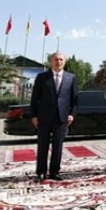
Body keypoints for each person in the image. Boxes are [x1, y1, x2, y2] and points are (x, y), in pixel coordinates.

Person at [30, 52, 78, 182]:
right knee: (42, 145)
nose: (59, 62)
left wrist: (71, 114)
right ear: (51, 62)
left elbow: (74, 100)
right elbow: (34, 98)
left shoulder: (71, 78)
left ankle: (55, 172)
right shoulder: (42, 77)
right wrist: (34, 116)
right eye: (56, 59)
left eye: (61, 59)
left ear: (65, 62)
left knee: (58, 146)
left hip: (61, 118)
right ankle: (41, 172)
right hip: (43, 117)